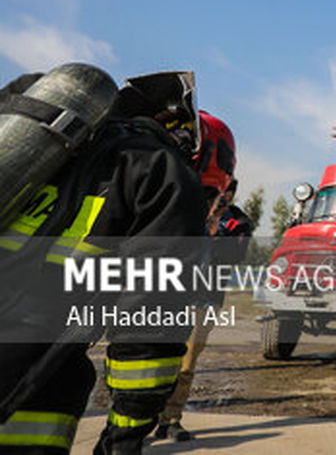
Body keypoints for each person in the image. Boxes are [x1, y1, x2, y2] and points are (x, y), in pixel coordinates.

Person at [0, 71, 207, 455]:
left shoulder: (38, 142)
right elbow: (149, 324)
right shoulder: (159, 172)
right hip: (24, 391)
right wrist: (123, 437)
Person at [153, 111, 250, 442]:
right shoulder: (185, 206)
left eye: (227, 195)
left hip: (204, 300)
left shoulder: (237, 223)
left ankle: (171, 418)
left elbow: (233, 258)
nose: (222, 198)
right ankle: (142, 414)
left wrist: (214, 227)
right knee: (151, 354)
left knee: (186, 363)